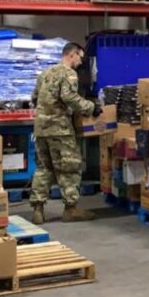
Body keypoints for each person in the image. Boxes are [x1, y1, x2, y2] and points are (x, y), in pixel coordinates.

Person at [31, 42, 100, 224]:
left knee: (43, 168)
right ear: (73, 54)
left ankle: (38, 209)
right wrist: (91, 107)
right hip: (59, 129)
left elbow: (34, 98)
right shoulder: (69, 74)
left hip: (40, 129)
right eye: (80, 57)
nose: (80, 62)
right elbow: (69, 97)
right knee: (69, 167)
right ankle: (70, 209)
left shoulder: (45, 73)